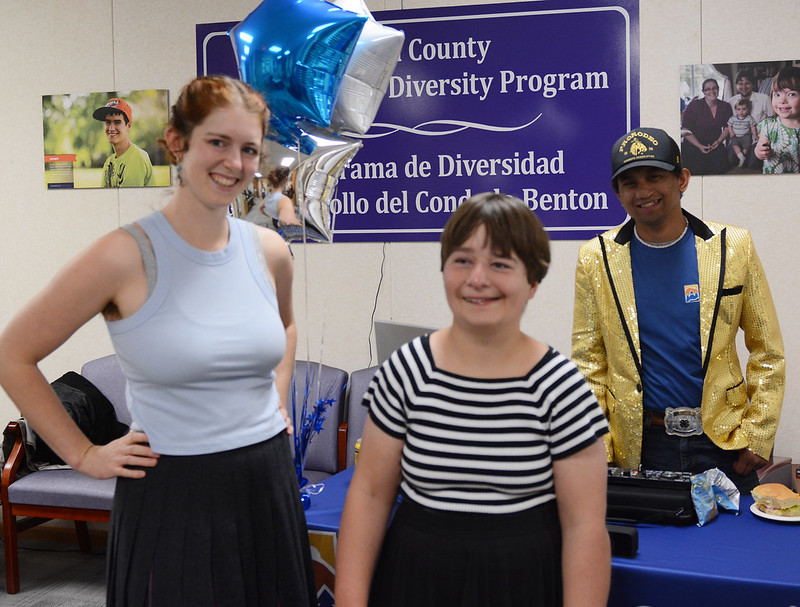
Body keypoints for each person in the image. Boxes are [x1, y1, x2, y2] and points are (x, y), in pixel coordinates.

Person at [0, 76, 316, 606]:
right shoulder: (122, 257)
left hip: (266, 479)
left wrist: (277, 399)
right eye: (218, 142)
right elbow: (13, 354)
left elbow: (284, 328)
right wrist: (83, 454)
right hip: (173, 489)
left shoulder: (269, 251)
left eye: (249, 149)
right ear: (176, 141)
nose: (234, 163)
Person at [336, 193, 611, 607]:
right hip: (416, 575)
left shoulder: (560, 386)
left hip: (522, 581)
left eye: (500, 264)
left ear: (533, 282)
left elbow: (584, 528)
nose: (477, 278)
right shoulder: (407, 370)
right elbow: (370, 495)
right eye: (462, 260)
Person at [572, 127, 785, 494]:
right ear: (618, 192)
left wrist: (758, 433)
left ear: (682, 179)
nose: (643, 191)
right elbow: (589, 363)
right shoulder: (598, 258)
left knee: (733, 549)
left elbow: (767, 350)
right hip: (640, 446)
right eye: (629, 182)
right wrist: (600, 447)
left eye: (655, 176)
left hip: (724, 443)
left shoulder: (732, 246)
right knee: (649, 551)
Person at [92, 97, 156, 187]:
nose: (111, 128)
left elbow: (127, 199)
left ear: (128, 126)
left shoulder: (137, 157)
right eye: (108, 122)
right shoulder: (109, 162)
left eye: (117, 122)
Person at [681, 78, 733, 174]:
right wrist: (699, 146)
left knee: (719, 168)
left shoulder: (725, 106)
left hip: (715, 143)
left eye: (714, 88)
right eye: (708, 89)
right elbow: (685, 130)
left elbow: (727, 128)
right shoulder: (694, 105)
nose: (712, 91)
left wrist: (719, 141)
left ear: (718, 89)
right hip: (694, 144)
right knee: (697, 169)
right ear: (703, 92)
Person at [755, 65, 800, 174]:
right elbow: (759, 149)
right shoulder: (768, 125)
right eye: (777, 94)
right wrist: (760, 152)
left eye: (791, 94)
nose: (782, 100)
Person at [726, 98, 758, 168]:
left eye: (744, 109)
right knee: (735, 146)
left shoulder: (749, 118)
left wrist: (755, 135)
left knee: (746, 148)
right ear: (736, 110)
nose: (741, 111)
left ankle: (743, 158)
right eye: (739, 109)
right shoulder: (733, 118)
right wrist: (731, 132)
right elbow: (729, 125)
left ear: (748, 109)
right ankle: (741, 157)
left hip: (746, 137)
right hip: (735, 136)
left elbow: (753, 127)